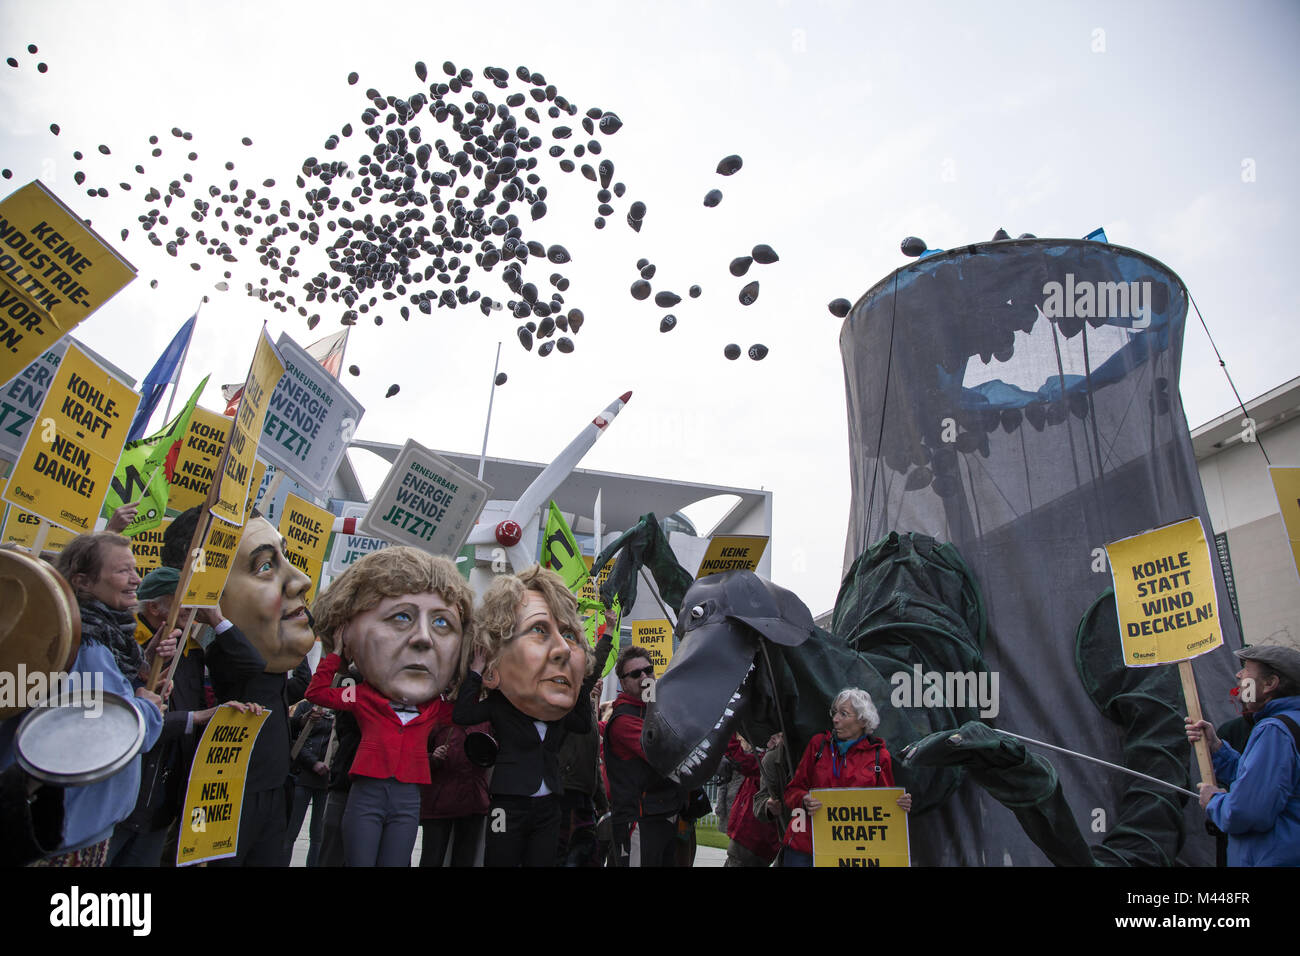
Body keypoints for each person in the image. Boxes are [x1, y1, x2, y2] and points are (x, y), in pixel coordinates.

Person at [307, 547, 472, 867]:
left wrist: (471, 670)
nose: (424, 639)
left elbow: (467, 713)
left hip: (407, 799)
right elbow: (318, 694)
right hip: (366, 793)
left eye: (441, 623)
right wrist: (337, 655)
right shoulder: (363, 697)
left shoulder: (434, 709)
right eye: (401, 617)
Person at [22, 533, 165, 865]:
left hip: (71, 826)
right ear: (82, 581)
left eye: (135, 568)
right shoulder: (88, 643)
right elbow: (113, 732)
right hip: (69, 833)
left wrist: (139, 683)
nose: (136, 579)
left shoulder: (95, 634)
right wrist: (147, 707)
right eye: (122, 572)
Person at [454, 565, 610, 867]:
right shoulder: (501, 705)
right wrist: (476, 672)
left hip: (550, 803)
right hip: (507, 802)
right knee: (500, 859)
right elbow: (463, 714)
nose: (562, 648)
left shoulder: (560, 712)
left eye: (567, 634)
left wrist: (579, 679)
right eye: (539, 629)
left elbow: (580, 722)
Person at [203, 513, 315, 866]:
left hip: (273, 785)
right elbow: (247, 663)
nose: (302, 579)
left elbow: (301, 684)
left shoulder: (274, 666)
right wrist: (214, 616)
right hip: (233, 791)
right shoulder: (225, 652)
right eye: (266, 565)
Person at [1185, 644, 1300, 866]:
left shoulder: (1275, 730)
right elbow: (1271, 783)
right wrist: (1217, 748)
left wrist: (1214, 801)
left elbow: (1247, 813)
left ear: (1270, 684)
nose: (1238, 675)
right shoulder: (1290, 724)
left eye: (1246, 669)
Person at [781, 687, 911, 867]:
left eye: (843, 714)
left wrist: (899, 804)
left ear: (863, 720)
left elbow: (885, 807)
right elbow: (791, 791)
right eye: (834, 713)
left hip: (849, 854)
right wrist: (804, 800)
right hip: (805, 849)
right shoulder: (818, 745)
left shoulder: (879, 757)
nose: (835, 720)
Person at [604, 644, 683, 867]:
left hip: (665, 814)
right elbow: (664, 751)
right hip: (638, 820)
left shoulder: (657, 709)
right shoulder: (623, 720)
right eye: (636, 674)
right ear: (623, 682)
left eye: (648, 670)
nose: (645, 677)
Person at [723, 735, 781, 867]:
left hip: (750, 838)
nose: (771, 739)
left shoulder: (769, 762)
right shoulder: (774, 761)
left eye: (776, 737)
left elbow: (740, 760)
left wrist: (728, 731)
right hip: (762, 843)